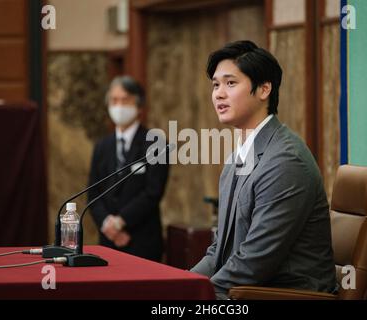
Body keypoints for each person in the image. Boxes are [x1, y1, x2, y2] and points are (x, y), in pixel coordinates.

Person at [190, 40, 336, 299]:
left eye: (230, 83)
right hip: (247, 288)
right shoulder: (238, 156)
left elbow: (255, 261)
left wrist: (194, 298)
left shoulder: (285, 161)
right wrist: (181, 286)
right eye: (215, 84)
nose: (219, 94)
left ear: (264, 89)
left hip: (283, 293)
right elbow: (218, 253)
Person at [88, 76, 169, 262]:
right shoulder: (101, 146)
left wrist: (120, 222)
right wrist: (108, 225)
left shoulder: (156, 143)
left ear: (139, 105)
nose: (119, 106)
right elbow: (93, 193)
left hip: (142, 240)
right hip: (108, 242)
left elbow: (153, 192)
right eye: (114, 100)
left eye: (125, 100)